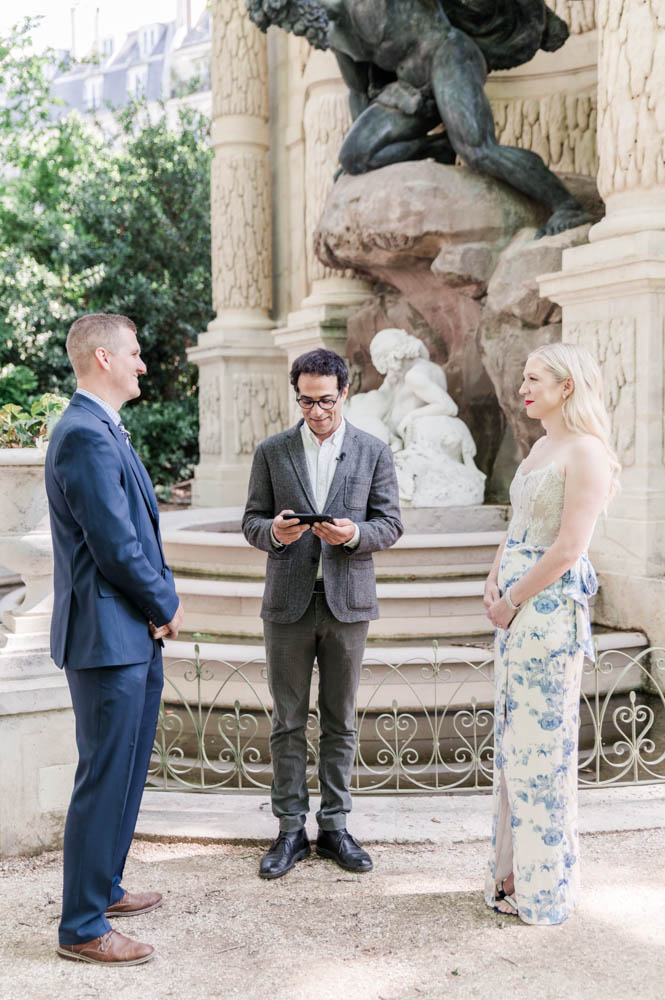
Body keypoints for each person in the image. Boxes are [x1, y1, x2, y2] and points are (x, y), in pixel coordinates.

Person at [45, 313, 184, 965]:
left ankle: (105, 889)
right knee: (104, 776)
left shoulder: (99, 429)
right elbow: (116, 546)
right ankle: (82, 927)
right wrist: (163, 604)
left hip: (124, 634)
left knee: (124, 773)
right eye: (134, 353)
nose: (142, 364)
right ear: (102, 358)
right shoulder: (83, 435)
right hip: (107, 635)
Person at [242, 348, 403, 878]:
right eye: (306, 402)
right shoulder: (272, 451)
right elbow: (251, 521)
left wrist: (354, 534)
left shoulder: (373, 451)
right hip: (287, 602)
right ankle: (290, 829)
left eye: (325, 401)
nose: (315, 412)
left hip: (348, 602)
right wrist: (275, 533)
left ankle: (335, 826)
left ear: (344, 393)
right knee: (288, 722)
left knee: (341, 720)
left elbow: (390, 524)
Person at [247, 0, 590, 237]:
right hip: (410, 89)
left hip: (448, 57)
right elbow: (358, 93)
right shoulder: (335, 35)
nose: (295, 29)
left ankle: (566, 205)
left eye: (291, 17)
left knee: (478, 150)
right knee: (353, 157)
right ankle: (440, 145)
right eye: (287, 26)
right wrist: (364, 159)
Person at [482, 342, 619, 924]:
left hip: (545, 614)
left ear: (567, 386)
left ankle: (544, 887)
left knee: (542, 751)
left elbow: (569, 549)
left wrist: (512, 598)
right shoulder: (541, 445)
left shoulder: (587, 452)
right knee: (512, 747)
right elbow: (516, 527)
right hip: (512, 611)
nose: (523, 389)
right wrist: (492, 580)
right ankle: (512, 873)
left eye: (534, 379)